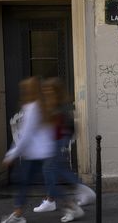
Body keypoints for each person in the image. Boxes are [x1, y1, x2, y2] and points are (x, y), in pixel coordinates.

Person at [33, 77, 95, 222]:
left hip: (58, 139)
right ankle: (53, 199)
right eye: (45, 90)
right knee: (54, 169)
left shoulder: (60, 106)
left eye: (49, 90)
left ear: (56, 91)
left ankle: (71, 201)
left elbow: (65, 126)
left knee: (52, 170)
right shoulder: (53, 104)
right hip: (54, 140)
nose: (46, 92)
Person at [1, 77, 56, 223]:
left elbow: (25, 135)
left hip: (33, 153)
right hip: (40, 152)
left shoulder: (32, 107)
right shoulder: (40, 105)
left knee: (23, 183)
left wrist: (11, 155)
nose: (23, 91)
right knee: (30, 182)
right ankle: (18, 214)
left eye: (24, 89)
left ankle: (18, 215)